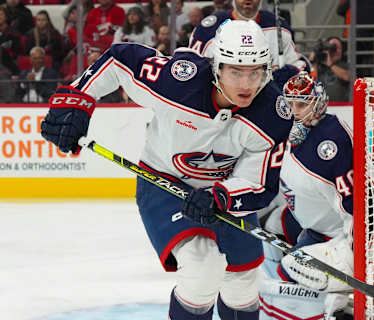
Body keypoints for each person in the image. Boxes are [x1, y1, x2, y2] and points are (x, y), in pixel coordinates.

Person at [40, 19, 293, 320]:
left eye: (255, 72)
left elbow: (260, 183)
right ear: (217, 66)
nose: (246, 84)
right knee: (202, 269)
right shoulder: (178, 83)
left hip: (225, 193)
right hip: (164, 183)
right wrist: (77, 99)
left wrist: (222, 197)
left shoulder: (273, 112)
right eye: (235, 71)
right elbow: (120, 59)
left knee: (244, 285)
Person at [258, 71, 354, 319]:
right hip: (313, 227)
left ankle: (339, 302)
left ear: (318, 104)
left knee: (288, 280)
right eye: (289, 105)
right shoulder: (286, 136)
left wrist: (354, 248)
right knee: (280, 276)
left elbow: (355, 203)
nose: (294, 111)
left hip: (341, 236)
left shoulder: (332, 140)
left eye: (301, 104)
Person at [189, 0, 305, 87]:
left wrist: (288, 75)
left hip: (268, 105)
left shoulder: (279, 26)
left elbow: (296, 65)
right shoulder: (207, 30)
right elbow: (194, 73)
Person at [312, 36, 351, 102]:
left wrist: (330, 64)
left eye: (339, 48)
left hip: (342, 108)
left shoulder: (345, 65)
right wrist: (314, 61)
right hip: (320, 106)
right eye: (334, 48)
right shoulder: (318, 65)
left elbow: (348, 77)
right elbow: (312, 80)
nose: (337, 51)